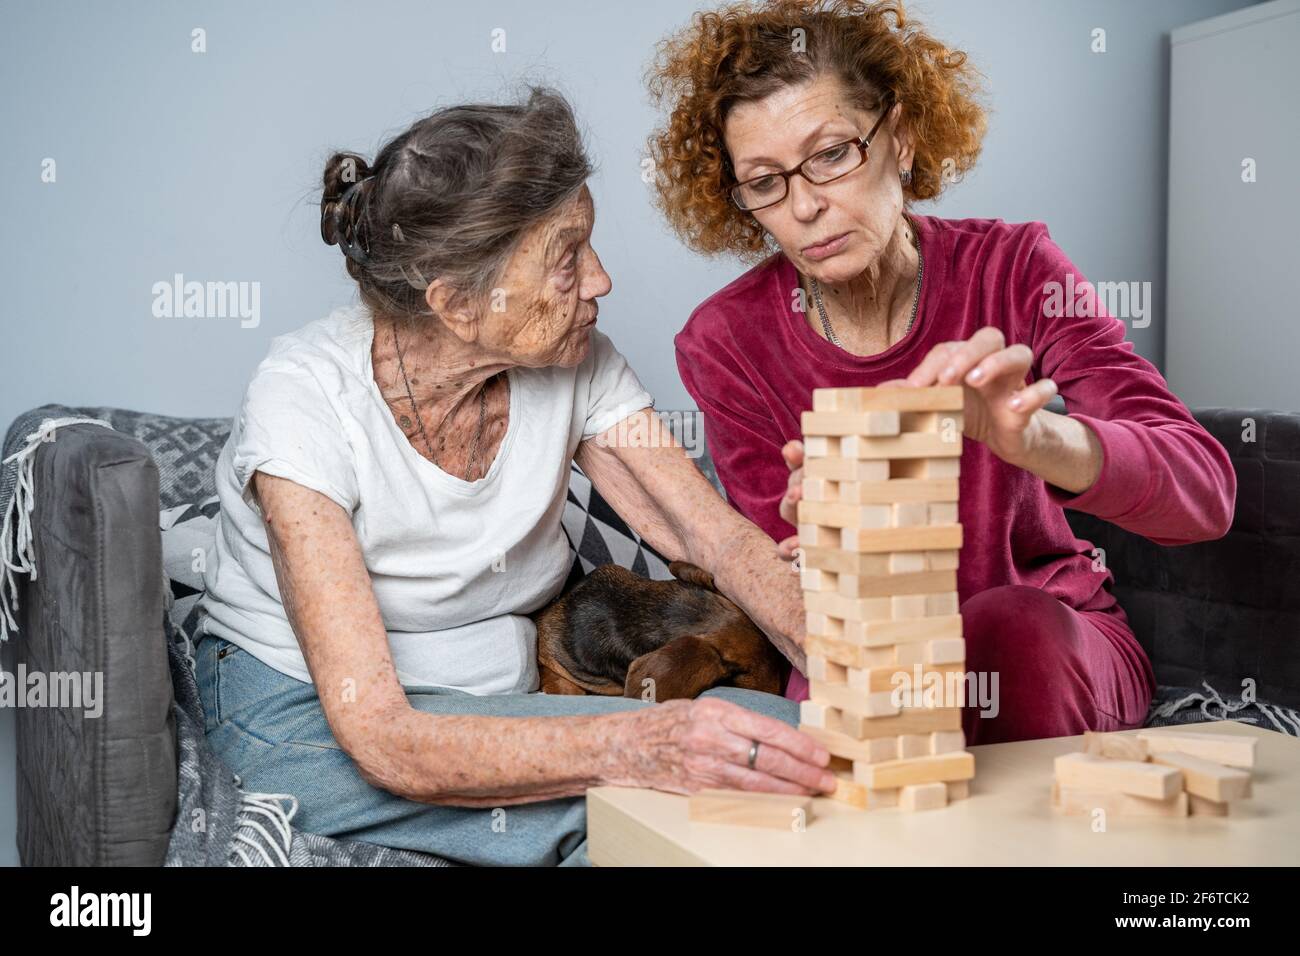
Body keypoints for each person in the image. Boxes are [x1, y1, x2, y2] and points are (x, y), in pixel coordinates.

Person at [195, 87, 834, 868]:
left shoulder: (573, 361)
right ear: (458, 303)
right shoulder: (303, 399)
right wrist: (637, 745)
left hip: (512, 693)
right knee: (642, 808)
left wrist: (852, 658)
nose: (600, 281)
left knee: (804, 751)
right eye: (568, 256)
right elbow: (384, 738)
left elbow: (712, 536)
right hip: (312, 715)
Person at [648, 0, 1236, 744]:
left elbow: (1204, 497)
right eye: (765, 181)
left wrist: (1036, 441)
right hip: (869, 660)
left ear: (901, 137)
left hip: (1049, 647)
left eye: (832, 154)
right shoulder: (724, 339)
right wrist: (827, 540)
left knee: (1008, 628)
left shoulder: (1018, 270)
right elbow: (801, 608)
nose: (804, 206)